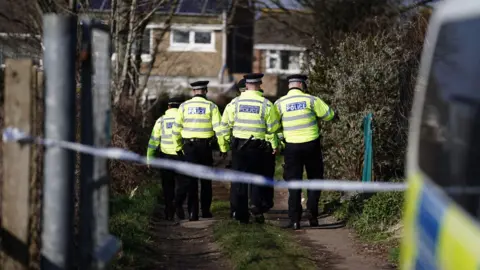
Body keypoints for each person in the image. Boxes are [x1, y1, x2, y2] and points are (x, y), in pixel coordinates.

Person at [274, 74, 335, 230]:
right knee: (315, 178)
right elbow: (330, 115)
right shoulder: (311, 100)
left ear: (290, 86)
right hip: (311, 145)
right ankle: (312, 214)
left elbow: (274, 126)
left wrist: (281, 139)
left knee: (294, 182)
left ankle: (294, 219)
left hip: (291, 147)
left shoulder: (280, 103)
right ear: (302, 85)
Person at [222, 73, 280, 224]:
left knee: (239, 180)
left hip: (239, 148)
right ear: (260, 84)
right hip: (258, 148)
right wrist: (274, 145)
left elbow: (224, 126)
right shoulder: (266, 104)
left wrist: (226, 144)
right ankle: (255, 207)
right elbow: (273, 128)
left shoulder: (234, 103)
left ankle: (240, 214)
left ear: (246, 86)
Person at [172, 81, 229, 221]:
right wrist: (223, 148)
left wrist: (178, 147)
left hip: (189, 147)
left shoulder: (184, 106)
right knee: (205, 181)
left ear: (193, 92)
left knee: (191, 180)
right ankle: (205, 211)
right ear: (206, 91)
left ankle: (193, 213)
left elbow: (176, 129)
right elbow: (219, 130)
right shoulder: (211, 106)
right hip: (205, 147)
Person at [146, 96, 184, 220]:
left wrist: (149, 159)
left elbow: (153, 142)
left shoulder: (160, 121)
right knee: (181, 185)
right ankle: (178, 205)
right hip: (181, 157)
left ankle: (169, 212)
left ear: (168, 107)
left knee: (168, 186)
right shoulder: (185, 119)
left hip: (166, 157)